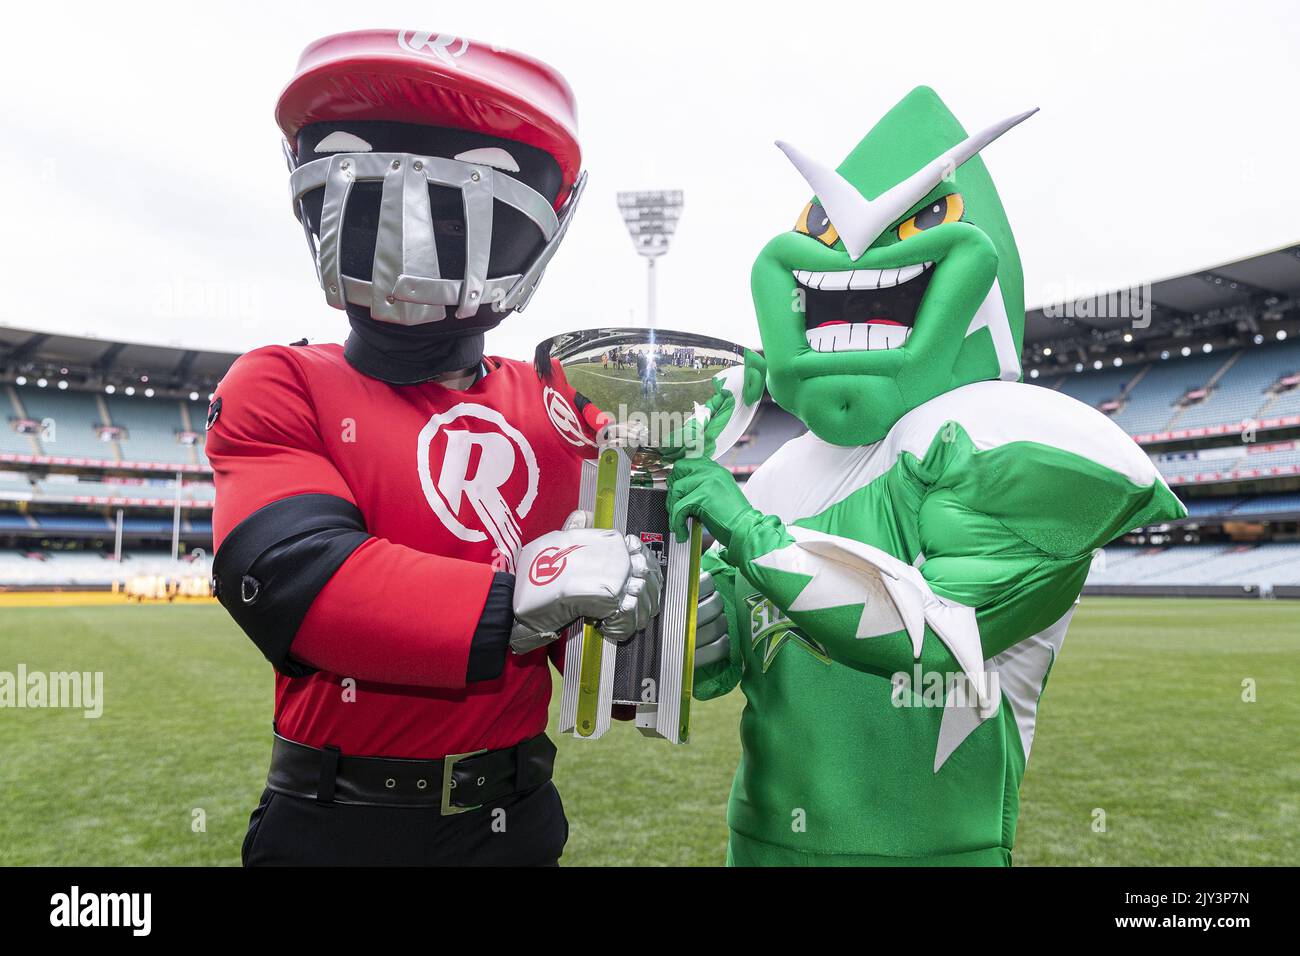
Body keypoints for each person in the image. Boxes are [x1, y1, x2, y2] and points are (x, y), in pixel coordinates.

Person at [668, 87, 1185, 866]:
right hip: (765, 836)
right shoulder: (778, 467)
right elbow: (733, 665)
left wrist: (742, 531)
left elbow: (928, 639)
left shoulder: (996, 439)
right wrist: (689, 624)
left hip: (933, 846)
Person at [207, 29, 661, 866]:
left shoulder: (564, 404)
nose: (413, 231)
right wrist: (529, 595)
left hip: (512, 816)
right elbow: (292, 581)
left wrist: (663, 617)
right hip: (336, 823)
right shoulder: (281, 381)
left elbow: (602, 633)